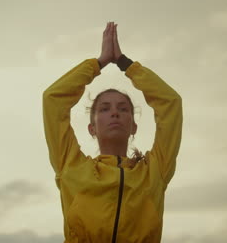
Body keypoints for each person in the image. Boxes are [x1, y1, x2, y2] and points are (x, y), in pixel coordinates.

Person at [42, 22, 183, 243]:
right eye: (105, 109)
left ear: (134, 126)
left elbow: (171, 103)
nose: (115, 113)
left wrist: (127, 66)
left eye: (123, 109)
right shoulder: (70, 165)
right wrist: (98, 63)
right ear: (92, 128)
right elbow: (52, 100)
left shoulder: (155, 170)